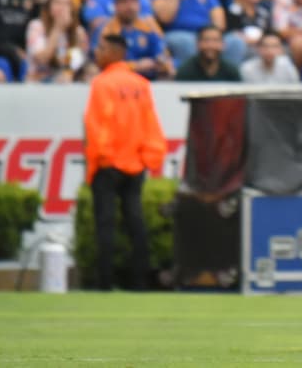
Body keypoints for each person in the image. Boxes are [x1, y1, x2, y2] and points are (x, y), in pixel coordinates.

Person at [83, 33, 166, 290]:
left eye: (101, 48)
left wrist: (98, 159)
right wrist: (150, 157)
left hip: (109, 163)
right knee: (135, 221)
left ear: (114, 53)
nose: (97, 53)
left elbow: (97, 124)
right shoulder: (141, 84)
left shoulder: (102, 84)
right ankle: (140, 281)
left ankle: (105, 282)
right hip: (135, 163)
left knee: (105, 224)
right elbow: (150, 123)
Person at [174, 25, 240, 82]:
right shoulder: (185, 71)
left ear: (223, 44)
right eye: (206, 40)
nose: (210, 45)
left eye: (215, 40)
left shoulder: (231, 72)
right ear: (197, 44)